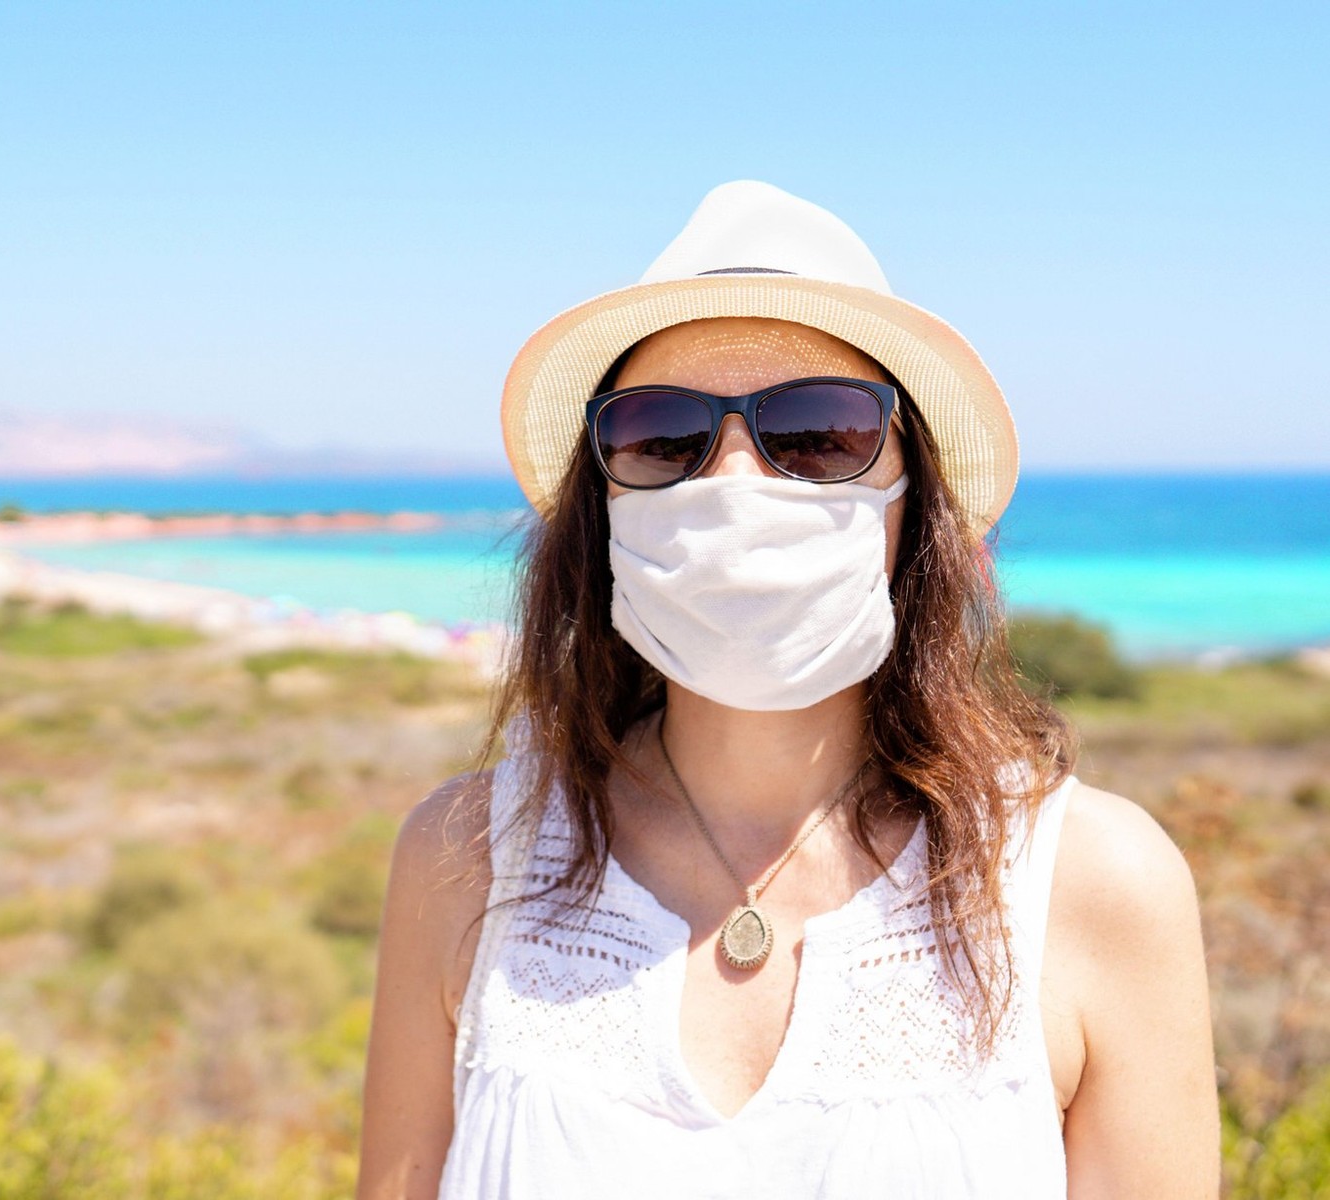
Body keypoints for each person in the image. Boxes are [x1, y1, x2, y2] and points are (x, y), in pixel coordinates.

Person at [356, 182, 1218, 1198]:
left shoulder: (1092, 881)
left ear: (916, 499)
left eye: (816, 431)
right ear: (604, 502)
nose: (733, 479)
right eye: (662, 435)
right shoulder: (462, 860)